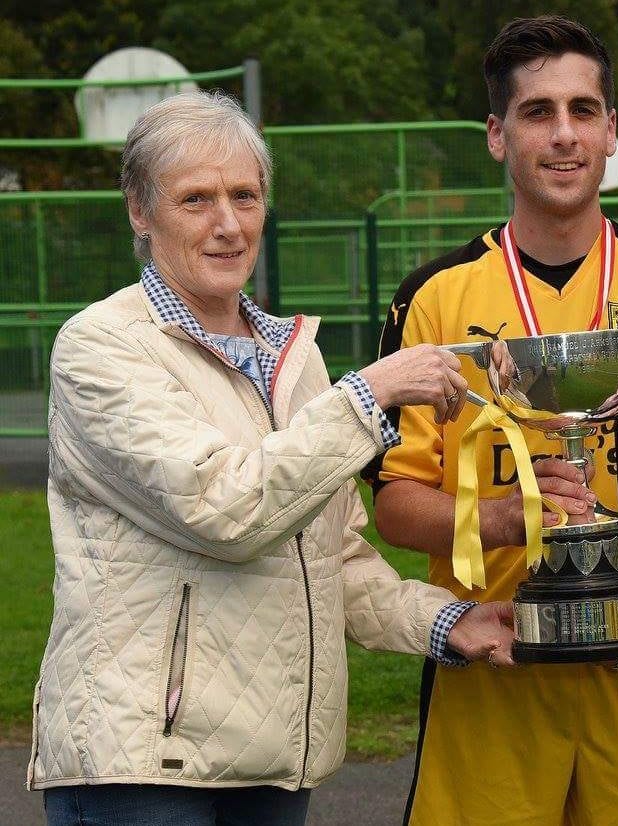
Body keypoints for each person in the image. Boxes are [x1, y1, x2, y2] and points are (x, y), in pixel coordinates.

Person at [28, 91, 515, 826]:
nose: (228, 224)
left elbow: (334, 555)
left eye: (245, 196)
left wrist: (449, 622)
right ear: (140, 210)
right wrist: (369, 394)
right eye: (196, 199)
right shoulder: (102, 346)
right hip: (144, 768)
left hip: (276, 760)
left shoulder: (293, 358)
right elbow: (226, 509)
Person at [366, 16, 618, 826]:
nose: (564, 134)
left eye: (583, 110)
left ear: (611, 131)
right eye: (538, 112)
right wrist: (505, 519)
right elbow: (395, 504)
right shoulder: (435, 296)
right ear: (497, 136)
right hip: (494, 673)